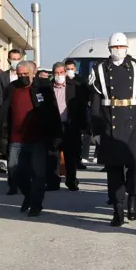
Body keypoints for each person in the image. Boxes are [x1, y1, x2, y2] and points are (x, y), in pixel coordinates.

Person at [90, 32, 136, 226]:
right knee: (114, 169)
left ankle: (133, 195)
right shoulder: (100, 69)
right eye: (115, 48)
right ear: (109, 49)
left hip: (133, 122)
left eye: (121, 47)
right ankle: (118, 209)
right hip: (110, 122)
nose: (118, 51)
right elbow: (95, 103)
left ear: (126, 48)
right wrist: (96, 131)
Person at [0, 61, 63, 216]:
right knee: (14, 171)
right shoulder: (12, 89)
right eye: (20, 74)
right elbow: (5, 113)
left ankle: (36, 204)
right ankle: (28, 196)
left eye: (26, 74)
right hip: (16, 138)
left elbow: (53, 112)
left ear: (33, 72)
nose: (23, 77)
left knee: (38, 173)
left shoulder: (43, 88)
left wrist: (56, 135)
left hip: (37, 138)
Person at [50, 61, 88, 191]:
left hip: (71, 126)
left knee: (71, 156)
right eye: (56, 73)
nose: (59, 75)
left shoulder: (74, 87)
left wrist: (83, 125)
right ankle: (53, 182)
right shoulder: (48, 89)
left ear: (65, 73)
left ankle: (71, 181)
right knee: (54, 156)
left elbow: (81, 107)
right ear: (53, 74)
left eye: (61, 72)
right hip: (54, 126)